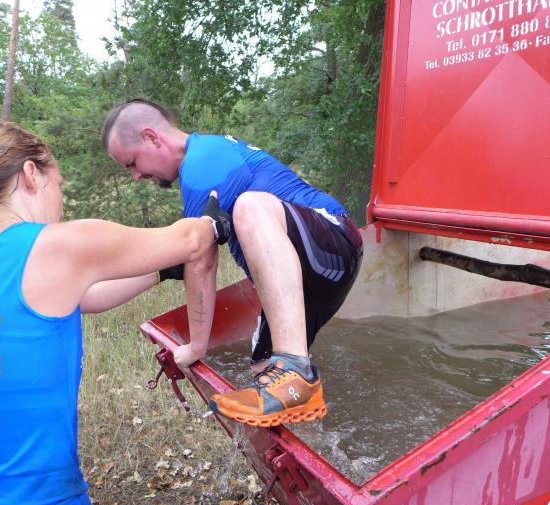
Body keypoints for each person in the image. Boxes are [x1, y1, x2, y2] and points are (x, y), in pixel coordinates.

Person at [0, 120, 230, 505]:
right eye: (59, 184)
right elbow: (192, 239)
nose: (61, 199)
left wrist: (164, 270)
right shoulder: (56, 245)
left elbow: (86, 297)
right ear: (31, 174)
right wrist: (213, 220)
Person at [101, 98, 363, 427]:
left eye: (132, 163)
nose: (136, 176)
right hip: (305, 276)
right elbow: (183, 257)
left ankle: (297, 369)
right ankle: (317, 432)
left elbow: (201, 263)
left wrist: (196, 347)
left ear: (152, 137)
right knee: (264, 371)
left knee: (249, 206)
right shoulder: (202, 159)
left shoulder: (202, 163)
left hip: (334, 242)